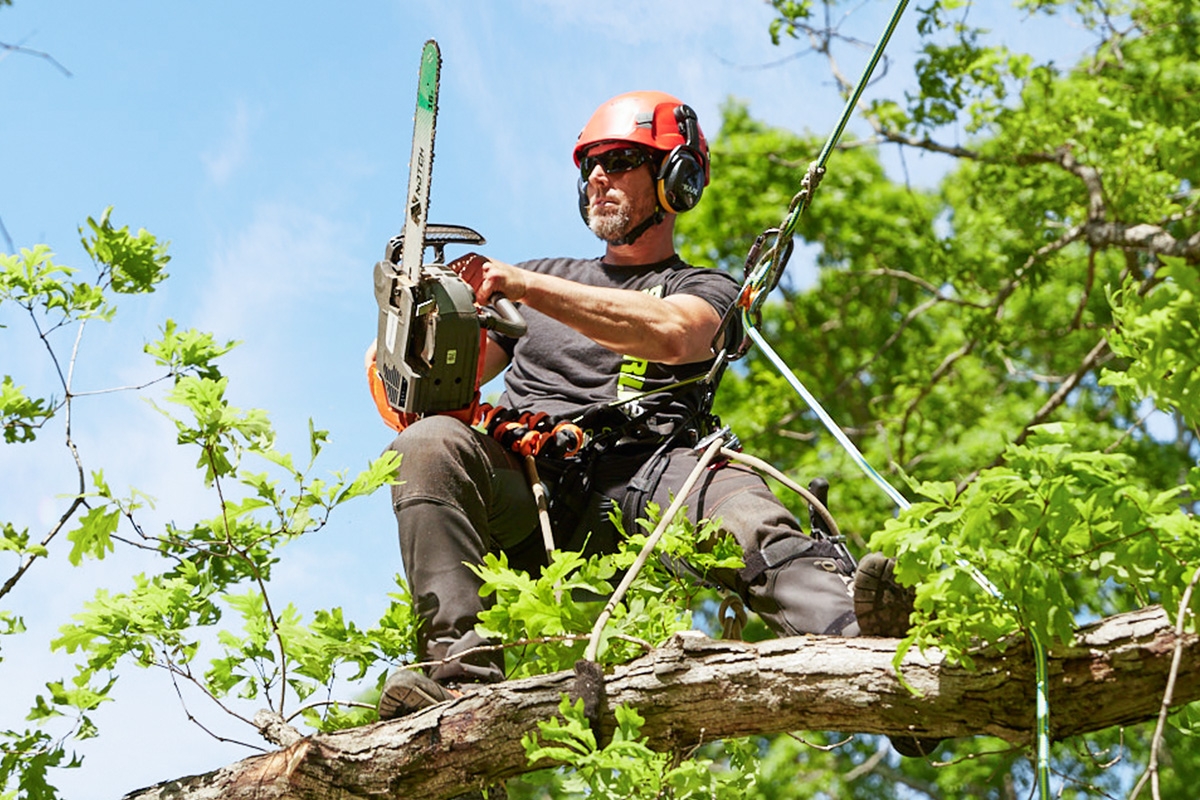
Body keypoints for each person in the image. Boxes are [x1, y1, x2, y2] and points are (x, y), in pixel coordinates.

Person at [371, 91, 924, 750]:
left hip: (655, 473)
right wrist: (408, 330)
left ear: (675, 178)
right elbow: (429, 392)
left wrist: (523, 287)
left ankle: (879, 666)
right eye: (590, 167)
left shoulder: (701, 286)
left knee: (750, 520)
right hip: (531, 482)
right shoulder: (540, 278)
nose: (598, 178)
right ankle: (457, 687)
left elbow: (674, 337)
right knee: (428, 443)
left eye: (621, 160)